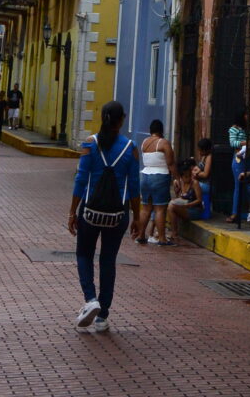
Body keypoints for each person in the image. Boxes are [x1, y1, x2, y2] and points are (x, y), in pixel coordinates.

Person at [69, 100, 140, 333]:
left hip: (90, 211)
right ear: (122, 120)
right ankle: (103, 316)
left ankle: (91, 300)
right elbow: (134, 188)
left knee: (83, 254)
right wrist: (137, 217)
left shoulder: (90, 144)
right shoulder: (131, 148)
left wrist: (72, 211)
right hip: (118, 214)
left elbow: (81, 179)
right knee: (108, 260)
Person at [137, 119, 174, 245]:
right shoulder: (164, 143)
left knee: (146, 208)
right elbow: (170, 163)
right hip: (160, 176)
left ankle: (141, 235)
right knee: (160, 209)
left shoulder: (144, 142)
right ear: (161, 130)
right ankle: (162, 238)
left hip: (145, 176)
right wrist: (177, 178)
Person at [166, 159, 203, 242]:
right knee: (170, 206)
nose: (188, 178)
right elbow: (181, 198)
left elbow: (199, 200)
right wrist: (177, 191)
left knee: (171, 207)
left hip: (194, 210)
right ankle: (174, 232)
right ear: (181, 177)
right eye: (185, 177)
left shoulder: (194, 183)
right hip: (185, 207)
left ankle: (174, 233)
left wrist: (187, 205)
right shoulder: (181, 183)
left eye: (189, 176)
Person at [226, 111, 248, 222]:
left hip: (247, 158)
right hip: (238, 158)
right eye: (245, 114)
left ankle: (245, 212)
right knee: (238, 185)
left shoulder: (245, 129)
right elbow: (233, 143)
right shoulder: (234, 129)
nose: (247, 116)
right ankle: (235, 213)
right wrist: (246, 143)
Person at [194, 137, 213, 219]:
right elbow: (198, 168)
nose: (199, 152)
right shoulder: (203, 157)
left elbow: (205, 174)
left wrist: (197, 174)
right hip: (201, 181)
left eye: (200, 150)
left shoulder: (209, 157)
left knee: (193, 185)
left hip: (206, 184)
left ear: (205, 150)